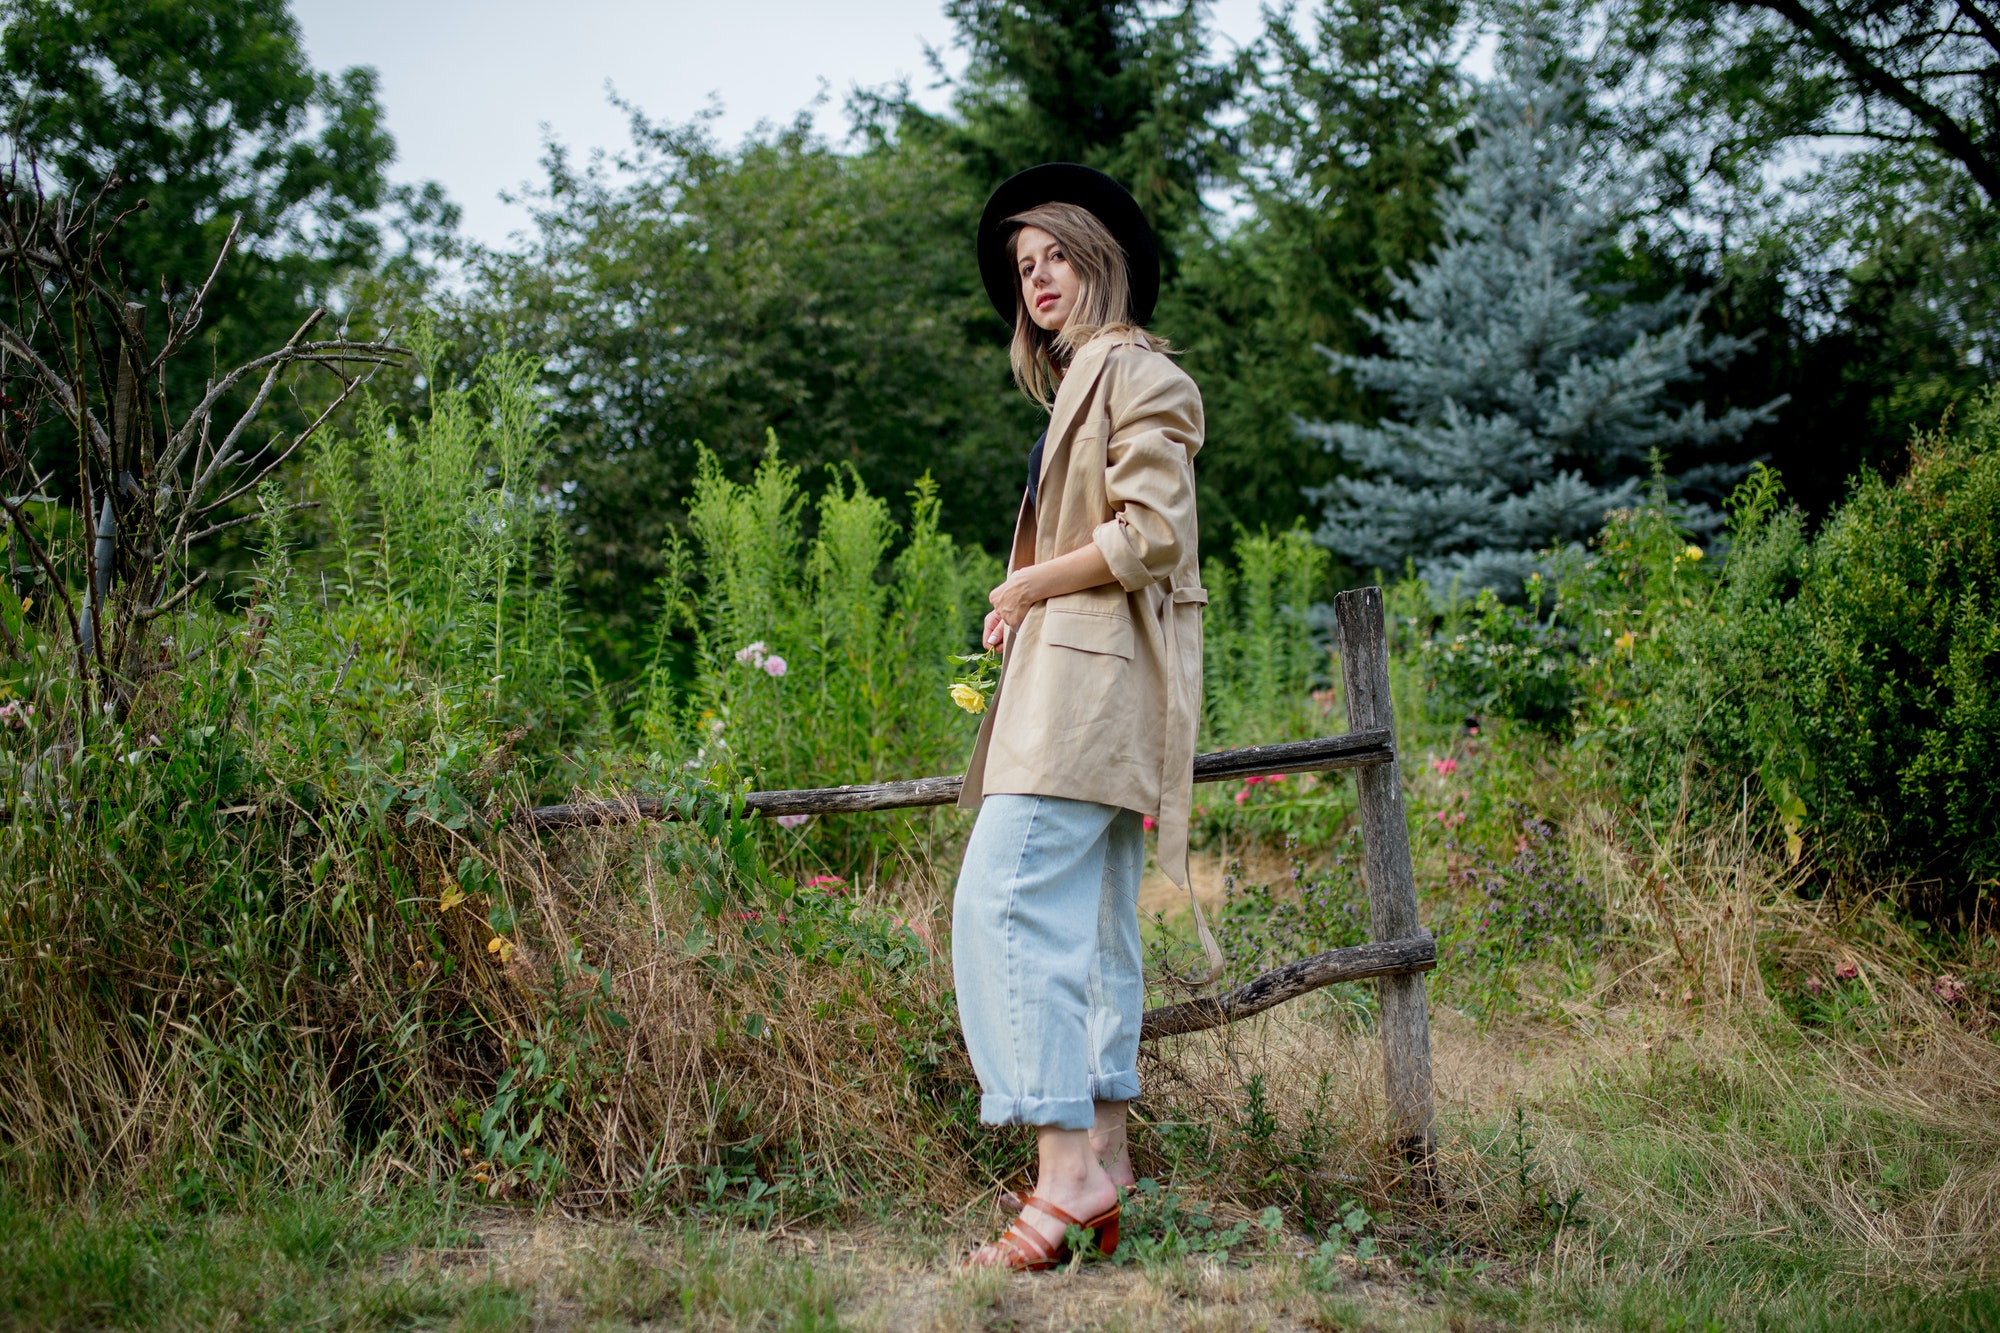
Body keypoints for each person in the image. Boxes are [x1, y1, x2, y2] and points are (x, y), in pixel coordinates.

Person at [953, 163, 1220, 1272]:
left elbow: (1151, 531)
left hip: (1093, 687)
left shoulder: (1137, 371)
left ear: (1098, 258)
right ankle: (1102, 1164)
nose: (1038, 278)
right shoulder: (1079, 383)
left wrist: (1026, 586)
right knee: (1094, 927)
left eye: (1055, 254)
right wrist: (1029, 596)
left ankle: (1060, 1173)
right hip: (1081, 685)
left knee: (1002, 903)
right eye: (1024, 267)